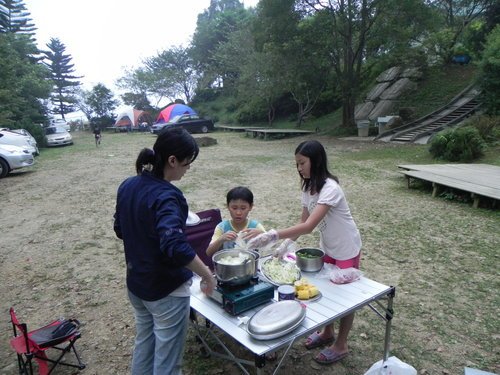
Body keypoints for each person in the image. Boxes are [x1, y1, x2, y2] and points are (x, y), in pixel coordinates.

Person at [247, 140, 362, 366]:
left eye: (302, 163)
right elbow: (302, 221)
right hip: (328, 245)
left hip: (346, 246)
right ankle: (327, 332)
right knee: (328, 288)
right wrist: (285, 246)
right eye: (297, 164)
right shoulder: (309, 188)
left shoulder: (331, 188)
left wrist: (272, 235)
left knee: (346, 297)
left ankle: (341, 343)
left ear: (315, 161)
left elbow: (309, 225)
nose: (299, 168)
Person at [113, 127, 215, 375]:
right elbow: (175, 246)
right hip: (165, 292)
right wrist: (207, 275)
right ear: (172, 160)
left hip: (136, 284)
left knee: (145, 346)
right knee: (168, 364)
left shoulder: (128, 185)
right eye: (187, 162)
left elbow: (120, 228)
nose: (188, 168)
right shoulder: (168, 195)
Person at [206, 186, 265, 257]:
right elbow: (208, 253)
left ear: (250, 207)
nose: (238, 213)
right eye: (234, 208)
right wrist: (220, 240)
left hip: (250, 264)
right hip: (228, 264)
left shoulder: (255, 227)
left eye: (243, 208)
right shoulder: (222, 227)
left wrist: (261, 233)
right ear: (228, 206)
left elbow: (270, 242)